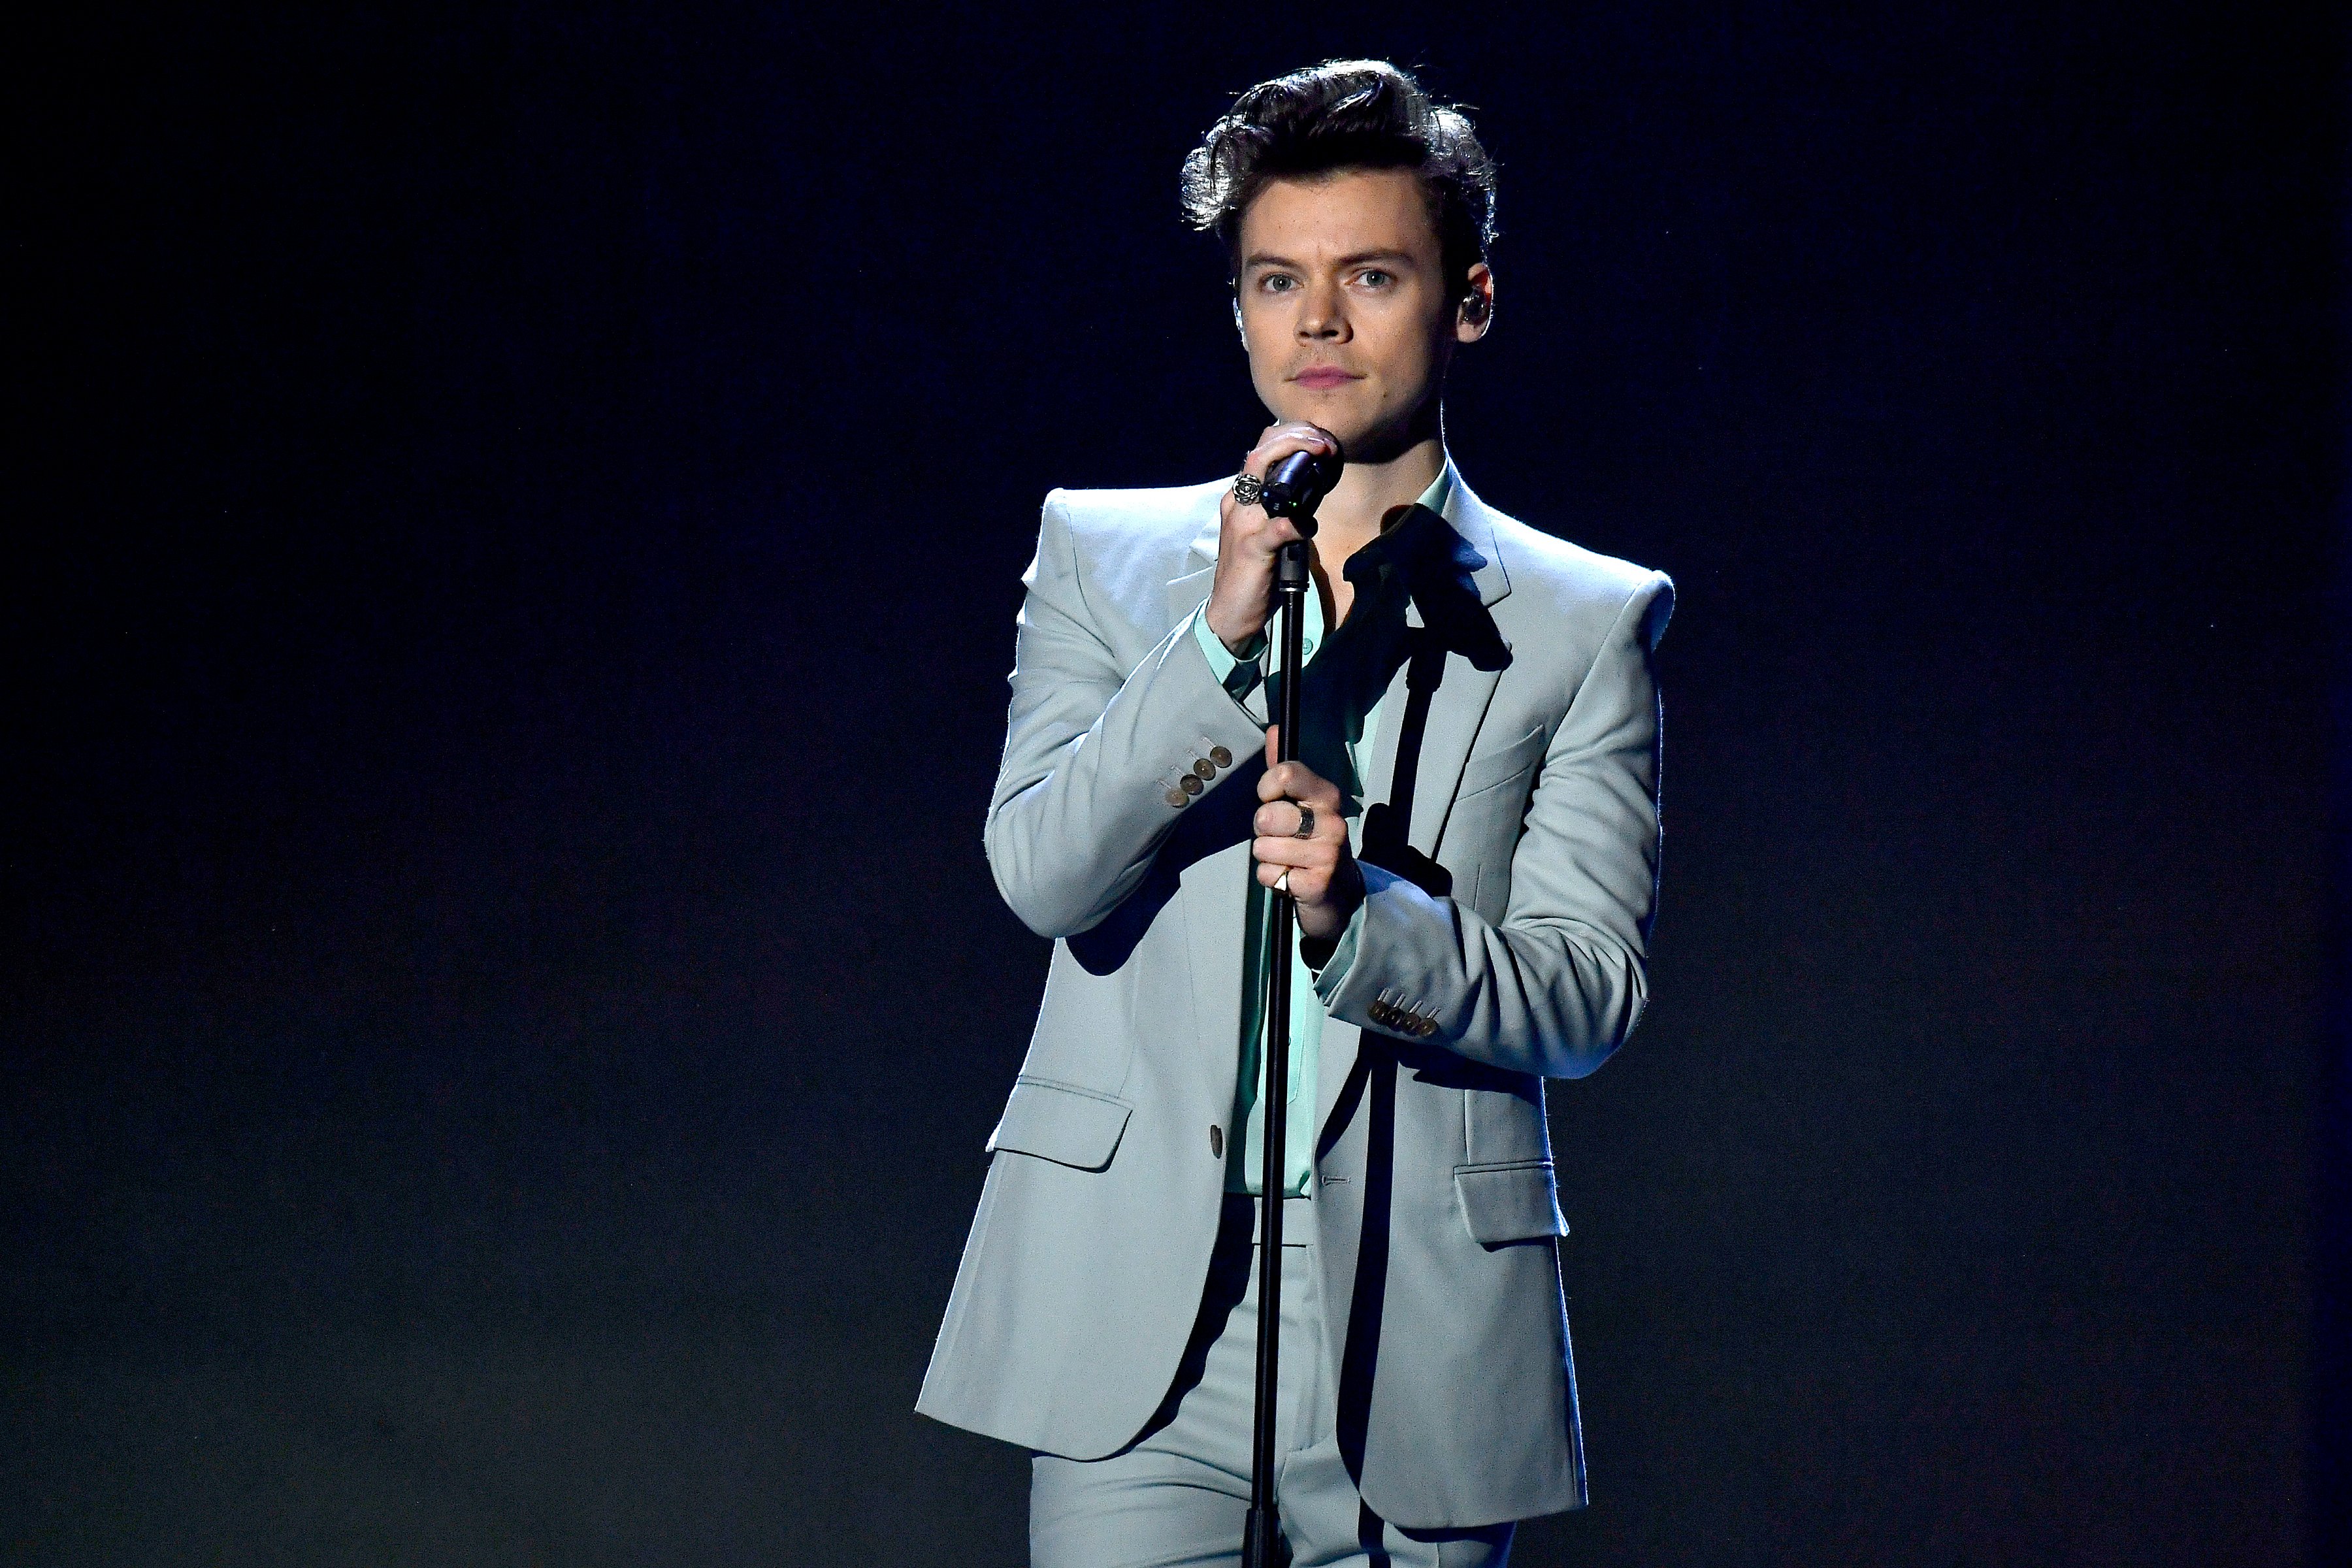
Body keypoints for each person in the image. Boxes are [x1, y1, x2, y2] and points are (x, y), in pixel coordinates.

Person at [917, 59, 1674, 1567]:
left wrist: (1364, 919)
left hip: (1417, 1321)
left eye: (1371, 276)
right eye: (1278, 279)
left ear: (1467, 301)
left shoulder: (1589, 620)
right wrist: (1211, 648)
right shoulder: (1105, 557)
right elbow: (1044, 876)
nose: (1317, 323)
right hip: (1139, 1316)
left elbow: (1589, 998)